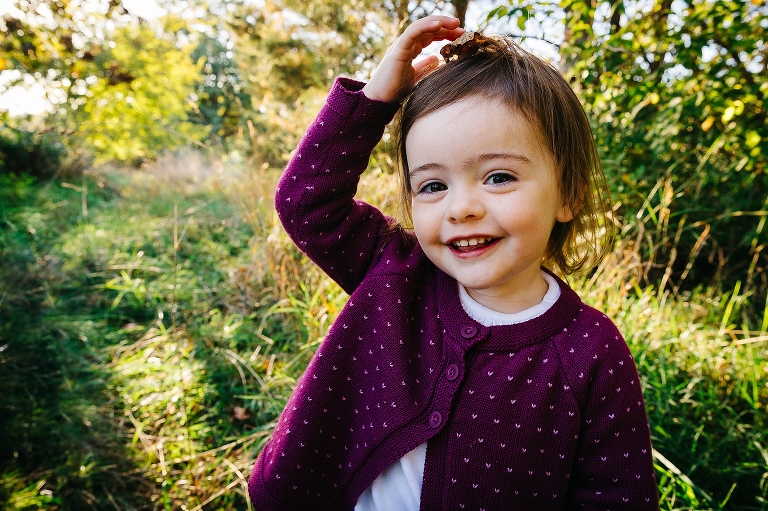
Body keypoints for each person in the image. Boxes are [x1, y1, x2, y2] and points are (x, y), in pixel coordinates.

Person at [248, 15, 659, 511]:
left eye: (499, 176)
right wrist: (376, 98)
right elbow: (305, 202)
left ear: (568, 194)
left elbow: (616, 495)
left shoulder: (590, 352)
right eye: (433, 185)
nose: (460, 208)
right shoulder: (396, 272)